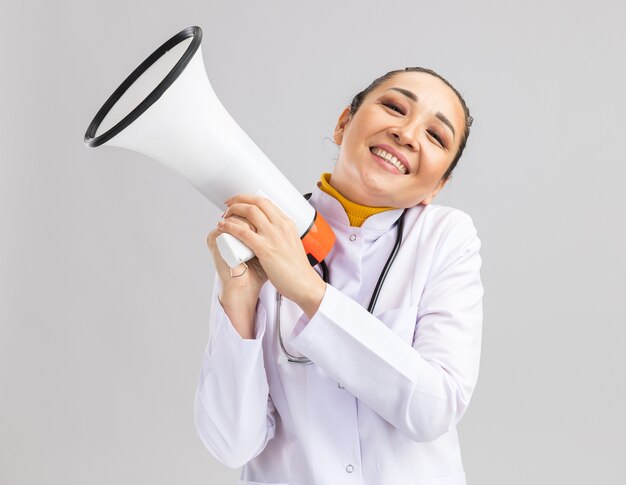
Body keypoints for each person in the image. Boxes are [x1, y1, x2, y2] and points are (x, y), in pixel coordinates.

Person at [194, 67, 483, 485]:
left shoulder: (446, 237)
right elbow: (231, 444)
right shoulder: (267, 235)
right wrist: (237, 303)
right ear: (343, 123)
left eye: (436, 136)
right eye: (394, 107)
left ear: (436, 186)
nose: (406, 133)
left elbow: (433, 409)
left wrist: (307, 290)